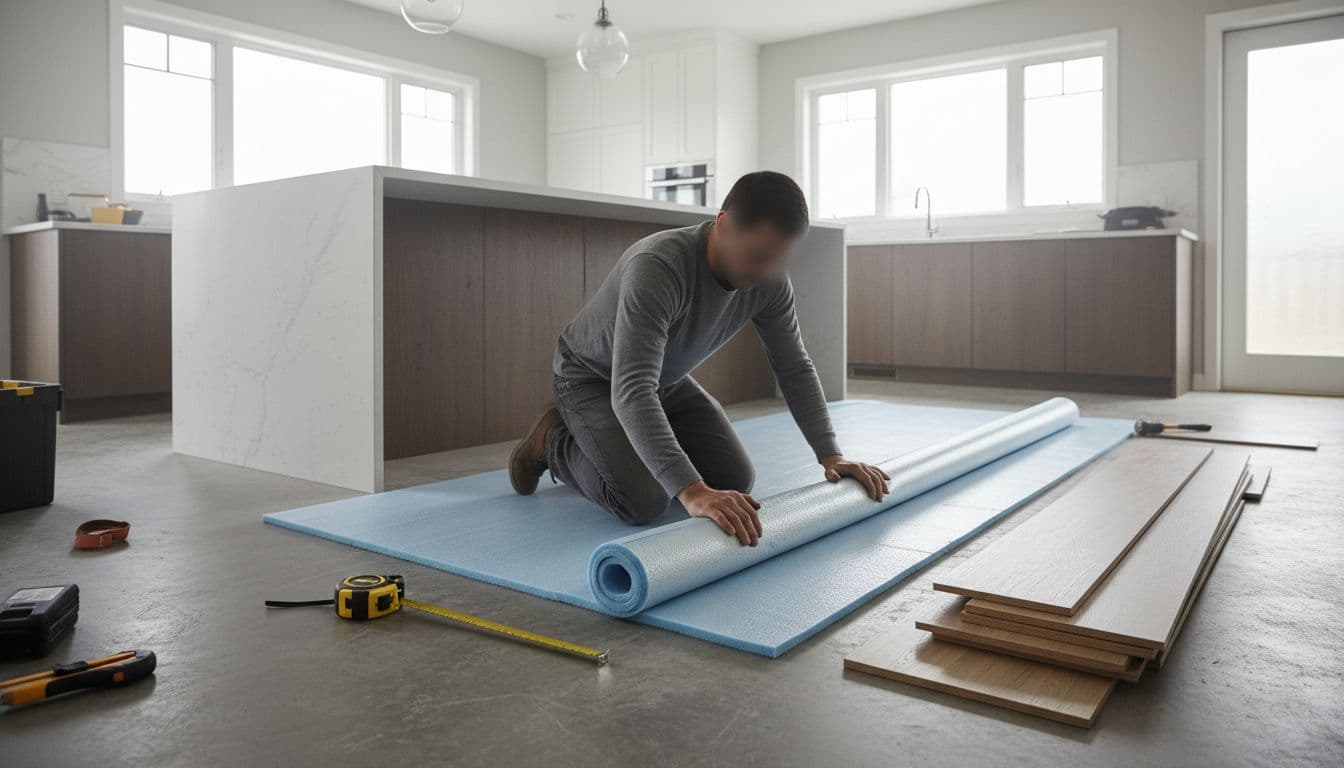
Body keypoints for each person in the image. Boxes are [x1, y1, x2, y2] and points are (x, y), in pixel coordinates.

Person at [508, 171, 889, 547]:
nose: (765, 273)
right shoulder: (657, 267)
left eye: (778, 260)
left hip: (663, 380)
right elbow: (632, 389)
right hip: (591, 377)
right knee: (643, 499)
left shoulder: (770, 281)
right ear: (723, 225)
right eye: (757, 256)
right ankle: (552, 442)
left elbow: (794, 366)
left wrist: (830, 454)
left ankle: (633, 451)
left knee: (734, 478)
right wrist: (692, 491)